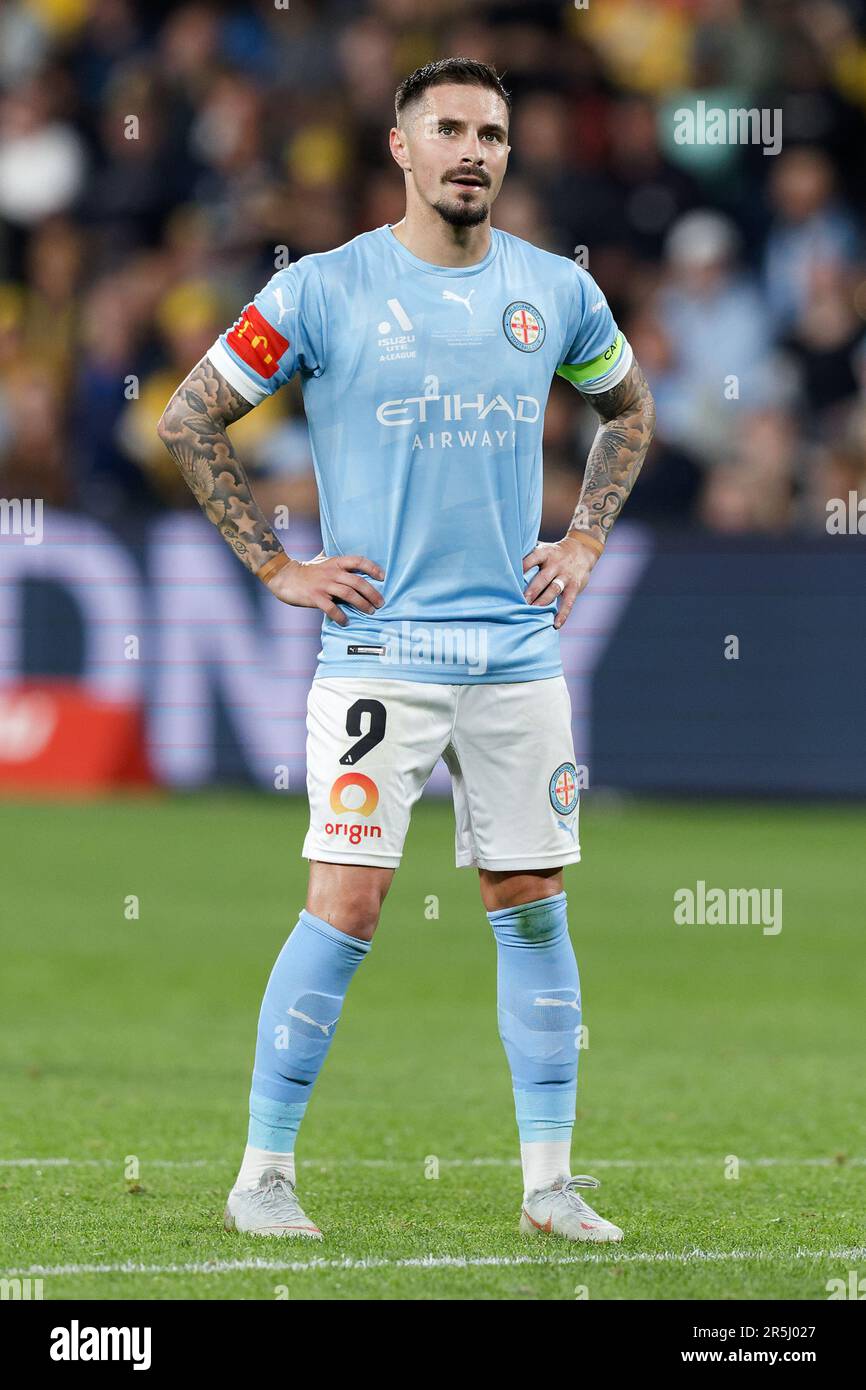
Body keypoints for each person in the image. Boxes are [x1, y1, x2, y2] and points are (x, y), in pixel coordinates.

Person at [157, 57, 655, 1244]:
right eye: (449, 129)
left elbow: (627, 409)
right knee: (348, 899)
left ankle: (548, 1185)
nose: (473, 149)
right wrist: (277, 564)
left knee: (530, 899)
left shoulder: (553, 292)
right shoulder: (323, 291)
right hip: (379, 650)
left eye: (491, 132)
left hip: (515, 655)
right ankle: (262, 1174)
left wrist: (582, 539)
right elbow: (187, 417)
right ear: (401, 148)